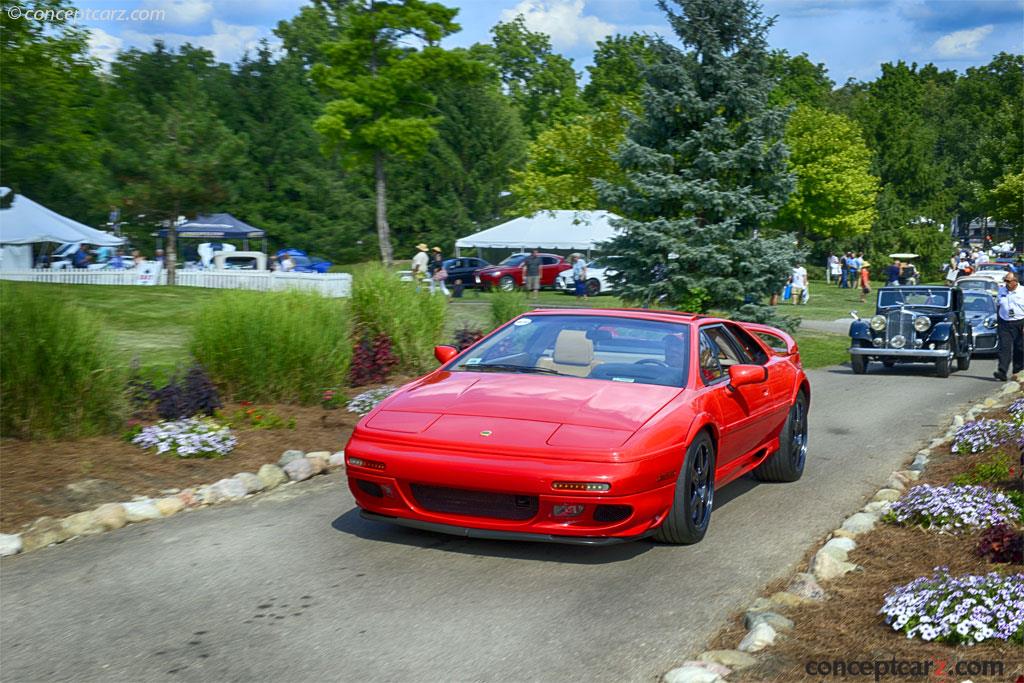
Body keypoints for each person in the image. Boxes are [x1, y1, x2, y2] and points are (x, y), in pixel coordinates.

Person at [993, 272, 1024, 381]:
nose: (1006, 283)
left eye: (1008, 281)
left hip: (1020, 322)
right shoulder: (1002, 291)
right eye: (1005, 280)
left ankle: (1018, 372)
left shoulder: (1022, 292)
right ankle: (1002, 371)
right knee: (1004, 347)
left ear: (1015, 282)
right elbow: (998, 305)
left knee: (1019, 348)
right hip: (1004, 322)